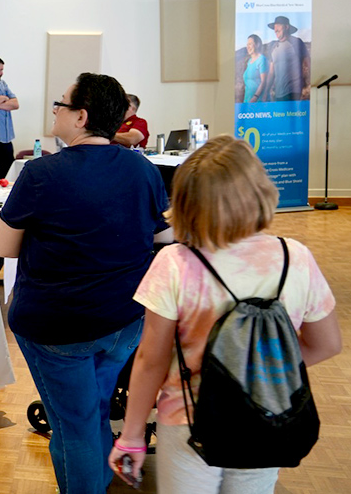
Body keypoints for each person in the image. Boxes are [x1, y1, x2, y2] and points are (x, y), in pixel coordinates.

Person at [108, 136, 341, 493]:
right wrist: (258, 371)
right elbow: (327, 344)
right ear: (258, 190)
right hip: (268, 416)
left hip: (188, 418)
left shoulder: (175, 263)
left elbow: (151, 360)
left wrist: (132, 434)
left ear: (186, 202)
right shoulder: (296, 257)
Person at [0, 73, 172, 494]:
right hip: (124, 322)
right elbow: (162, 239)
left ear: (81, 117)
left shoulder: (41, 174)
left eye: (61, 103)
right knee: (90, 411)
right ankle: (101, 478)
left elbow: (4, 247)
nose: (55, 110)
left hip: (59, 328)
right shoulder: (141, 168)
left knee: (72, 425)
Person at [266, 16, 310, 101]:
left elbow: (308, 63)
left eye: (278, 25)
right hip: (278, 94)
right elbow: (271, 73)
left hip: (293, 93)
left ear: (286, 27)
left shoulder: (296, 42)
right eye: (274, 27)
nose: (275, 30)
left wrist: (308, 86)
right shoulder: (273, 47)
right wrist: (265, 91)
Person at [243, 34, 268, 103]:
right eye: (247, 44)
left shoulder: (262, 59)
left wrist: (255, 97)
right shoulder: (249, 61)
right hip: (247, 101)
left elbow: (264, 82)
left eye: (250, 44)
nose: (248, 47)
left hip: (258, 101)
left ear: (257, 44)